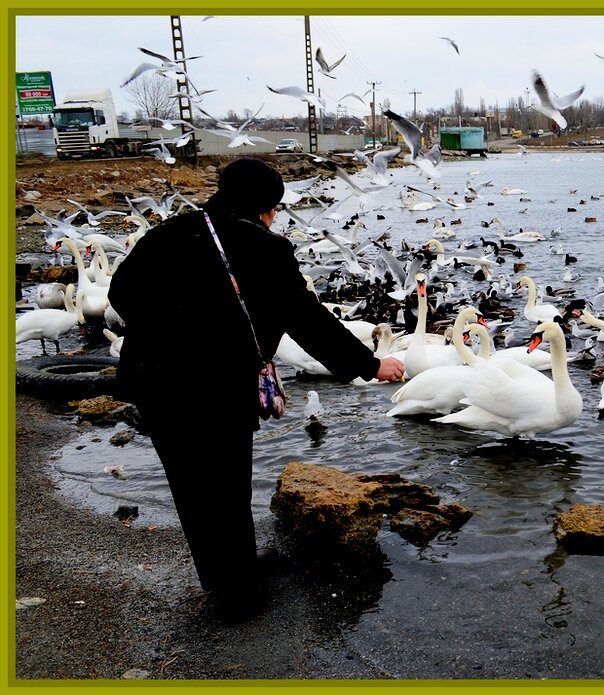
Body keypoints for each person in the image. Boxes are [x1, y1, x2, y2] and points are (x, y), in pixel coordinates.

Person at [108, 158, 405, 620]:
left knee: (191, 486)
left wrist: (169, 330)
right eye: (275, 209)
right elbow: (306, 318)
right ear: (268, 206)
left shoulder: (166, 234)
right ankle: (238, 596)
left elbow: (120, 294)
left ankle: (225, 575)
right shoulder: (264, 248)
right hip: (218, 388)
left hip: (157, 384)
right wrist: (369, 364)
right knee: (227, 485)